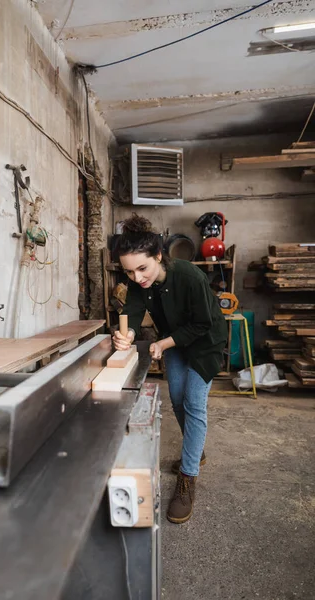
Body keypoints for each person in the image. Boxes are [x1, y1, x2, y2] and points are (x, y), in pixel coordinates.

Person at [113, 214, 227, 524]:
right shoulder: (138, 282)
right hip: (175, 343)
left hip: (205, 343)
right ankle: (196, 448)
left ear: (159, 256)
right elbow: (133, 311)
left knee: (193, 404)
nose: (137, 278)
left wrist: (163, 344)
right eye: (129, 271)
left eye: (142, 268)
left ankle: (188, 478)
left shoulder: (190, 276)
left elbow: (203, 323)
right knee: (176, 399)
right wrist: (128, 334)